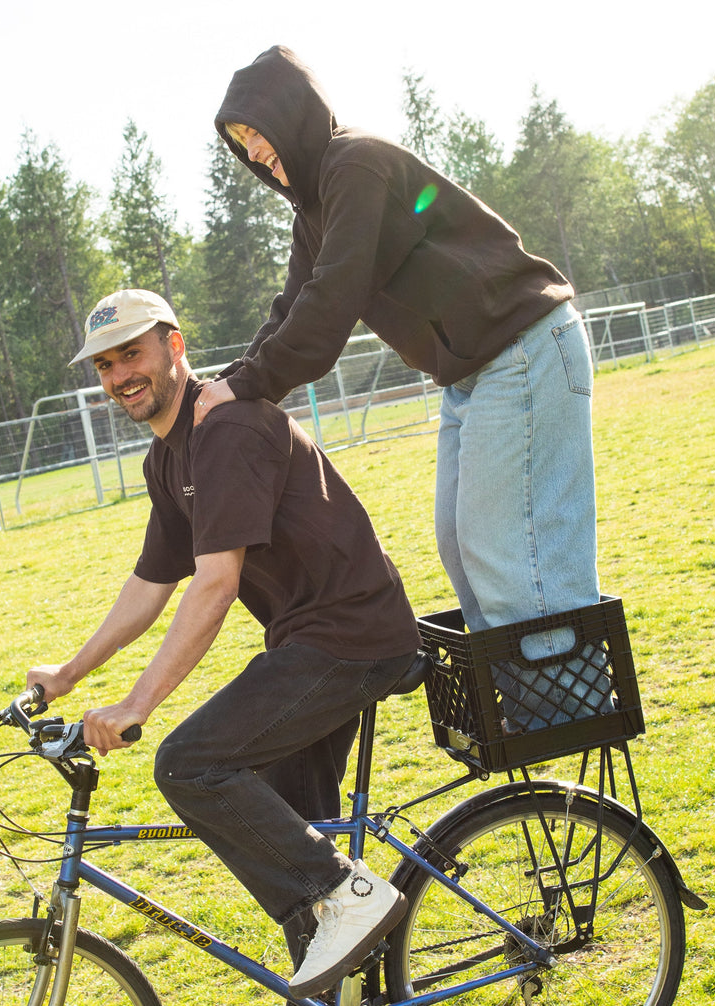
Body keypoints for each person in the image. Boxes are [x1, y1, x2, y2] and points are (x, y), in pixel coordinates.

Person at [26, 288, 423, 1005]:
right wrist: (68, 673)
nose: (120, 376)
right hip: (308, 642)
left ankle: (352, 895)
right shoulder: (168, 457)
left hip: (351, 637)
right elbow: (150, 586)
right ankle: (337, 989)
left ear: (174, 347)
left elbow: (213, 586)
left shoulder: (227, 430)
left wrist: (137, 705)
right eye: (106, 366)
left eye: (133, 354)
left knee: (191, 764)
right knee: (291, 837)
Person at [202, 46, 602, 729]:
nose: (254, 151)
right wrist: (233, 384)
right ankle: (527, 704)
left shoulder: (356, 164)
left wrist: (249, 387)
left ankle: (564, 713)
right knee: (460, 542)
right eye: (241, 144)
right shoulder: (315, 209)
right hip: (472, 375)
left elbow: (330, 302)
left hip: (524, 348)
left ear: (291, 111)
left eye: (256, 131)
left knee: (509, 548)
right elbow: (292, 304)